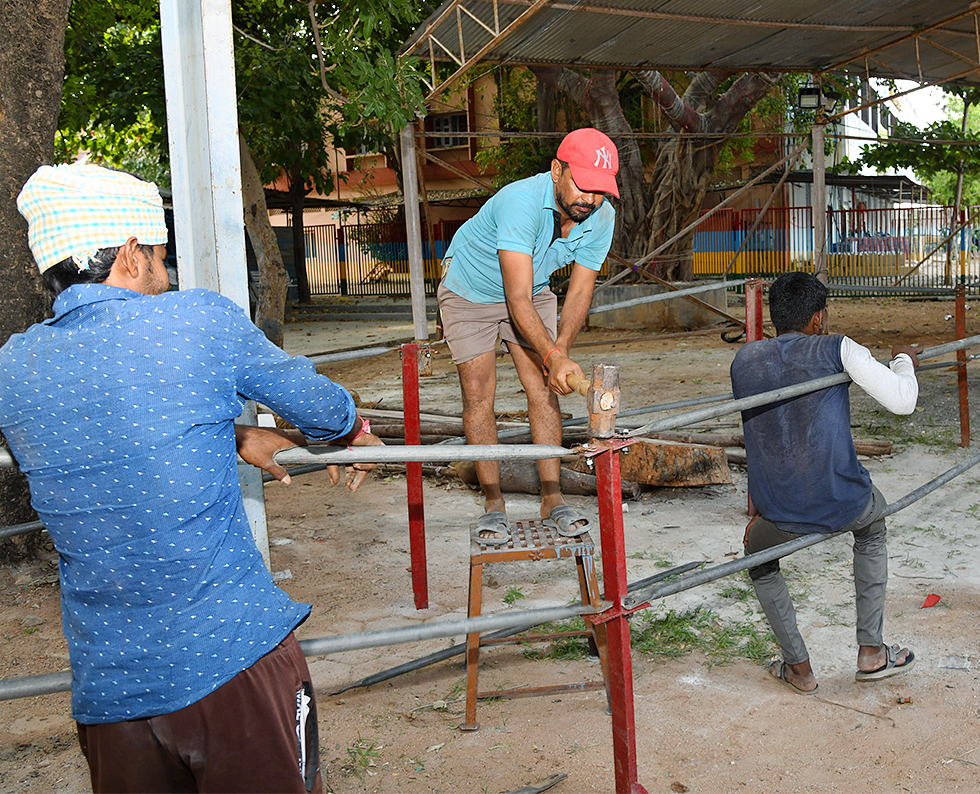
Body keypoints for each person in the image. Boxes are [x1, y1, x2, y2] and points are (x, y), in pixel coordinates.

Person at [0, 163, 383, 793]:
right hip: (229, 662)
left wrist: (229, 434)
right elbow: (314, 405)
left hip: (111, 691)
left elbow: (108, 435)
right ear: (129, 253)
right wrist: (352, 431)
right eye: (158, 253)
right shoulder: (196, 319)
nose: (166, 271)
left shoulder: (15, 365)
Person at [730, 271, 921, 694]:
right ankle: (871, 651)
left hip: (778, 510)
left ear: (774, 317)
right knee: (873, 525)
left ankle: (798, 667)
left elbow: (767, 428)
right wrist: (904, 360)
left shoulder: (744, 360)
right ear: (819, 318)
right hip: (843, 502)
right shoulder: (837, 347)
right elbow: (903, 402)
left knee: (758, 557)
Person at [437, 128, 619, 545]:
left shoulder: (601, 216)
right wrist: (552, 354)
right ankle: (493, 502)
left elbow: (579, 291)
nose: (590, 199)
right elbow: (513, 297)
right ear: (557, 170)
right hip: (470, 291)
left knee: (542, 389)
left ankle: (552, 497)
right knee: (479, 393)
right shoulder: (521, 202)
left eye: (600, 190)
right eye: (583, 184)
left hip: (532, 288)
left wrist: (560, 354)